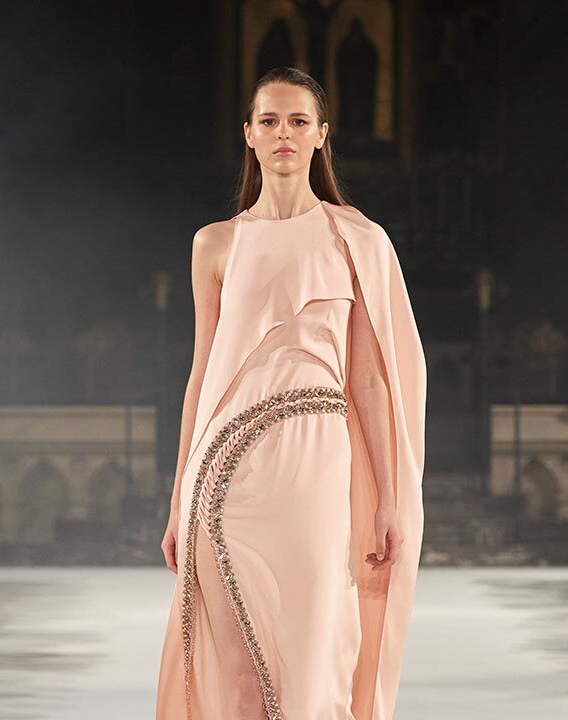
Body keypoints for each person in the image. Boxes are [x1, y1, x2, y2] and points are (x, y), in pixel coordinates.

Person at [156, 66, 427, 720]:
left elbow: (369, 378)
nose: (284, 133)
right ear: (249, 134)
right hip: (223, 472)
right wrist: (177, 497)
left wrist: (387, 499)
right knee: (239, 678)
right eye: (270, 120)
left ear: (321, 135)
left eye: (298, 121)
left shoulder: (358, 240)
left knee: (313, 654)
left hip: (316, 467)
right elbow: (202, 372)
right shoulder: (215, 244)